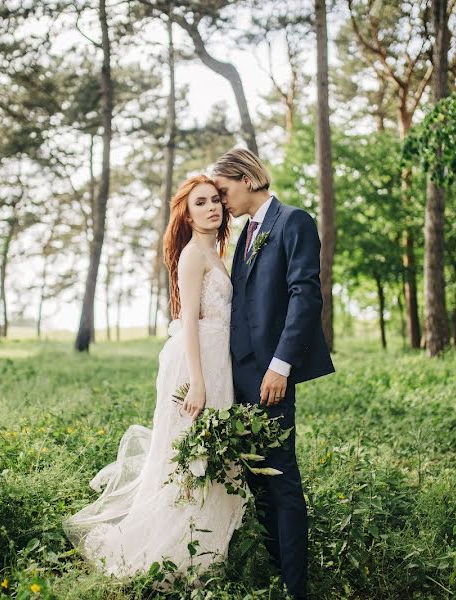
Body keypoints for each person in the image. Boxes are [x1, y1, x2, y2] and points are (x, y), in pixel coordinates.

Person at [62, 175, 246, 584]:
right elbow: (190, 324)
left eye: (215, 200)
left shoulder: (215, 252)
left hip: (219, 363)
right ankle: (172, 549)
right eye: (201, 203)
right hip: (197, 364)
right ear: (188, 213)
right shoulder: (192, 256)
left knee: (211, 454)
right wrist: (197, 382)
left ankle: (206, 548)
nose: (212, 207)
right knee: (190, 455)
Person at [213, 148, 335, 600]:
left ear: (246, 178)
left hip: (270, 378)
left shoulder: (293, 221)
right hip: (237, 378)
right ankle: (276, 570)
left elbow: (305, 296)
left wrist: (280, 366)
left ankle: (295, 588)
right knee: (254, 478)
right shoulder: (246, 233)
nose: (222, 201)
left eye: (224, 191)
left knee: (281, 478)